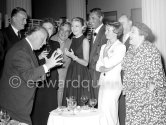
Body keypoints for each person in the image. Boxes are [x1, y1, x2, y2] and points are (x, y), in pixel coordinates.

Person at [0, 26, 63, 125]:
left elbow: (33, 74)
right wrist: (48, 65)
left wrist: (47, 68)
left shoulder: (27, 48)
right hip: (14, 108)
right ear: (36, 36)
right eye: (43, 40)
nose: (44, 43)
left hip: (20, 106)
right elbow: (28, 76)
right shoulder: (21, 51)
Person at [122, 22, 166, 125]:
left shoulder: (151, 50)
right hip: (133, 97)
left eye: (133, 32)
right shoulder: (131, 49)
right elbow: (125, 67)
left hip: (148, 100)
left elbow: (158, 76)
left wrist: (149, 94)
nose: (130, 35)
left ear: (142, 35)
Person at [31, 18, 61, 125]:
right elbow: (28, 63)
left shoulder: (56, 44)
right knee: (37, 109)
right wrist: (38, 57)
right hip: (38, 80)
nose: (47, 31)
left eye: (50, 28)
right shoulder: (34, 44)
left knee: (51, 109)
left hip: (51, 79)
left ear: (53, 30)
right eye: (45, 28)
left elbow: (58, 62)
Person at [96, 22, 126, 125]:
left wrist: (105, 54)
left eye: (108, 30)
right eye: (106, 30)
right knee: (102, 112)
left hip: (113, 83)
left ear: (116, 32)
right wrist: (103, 67)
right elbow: (97, 66)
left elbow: (108, 63)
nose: (105, 32)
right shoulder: (104, 45)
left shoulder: (120, 47)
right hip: (103, 82)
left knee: (110, 112)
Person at [62, 17, 94, 106]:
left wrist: (74, 57)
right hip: (72, 71)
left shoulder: (85, 40)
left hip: (81, 72)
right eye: (72, 26)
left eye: (77, 26)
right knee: (71, 99)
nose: (74, 28)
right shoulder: (73, 39)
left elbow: (86, 62)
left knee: (79, 100)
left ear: (83, 27)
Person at [0, 7, 27, 77]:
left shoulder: (24, 36)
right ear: (14, 19)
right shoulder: (2, 34)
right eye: (23, 19)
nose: (26, 22)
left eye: (26, 19)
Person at [51, 22, 72, 106]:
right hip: (50, 80)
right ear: (58, 29)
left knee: (60, 106)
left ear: (70, 33)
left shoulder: (71, 43)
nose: (64, 33)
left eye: (67, 31)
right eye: (62, 30)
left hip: (64, 80)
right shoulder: (50, 40)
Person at [88, 8, 107, 102]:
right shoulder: (92, 32)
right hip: (91, 71)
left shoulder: (105, 32)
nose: (90, 21)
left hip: (98, 71)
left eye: (93, 18)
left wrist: (90, 65)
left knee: (98, 98)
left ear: (101, 18)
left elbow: (101, 53)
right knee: (93, 98)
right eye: (89, 18)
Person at [118, 14, 132, 125]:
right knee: (121, 105)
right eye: (119, 23)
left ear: (130, 23)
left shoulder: (134, 38)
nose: (120, 26)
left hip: (129, 76)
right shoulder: (119, 39)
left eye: (123, 23)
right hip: (118, 76)